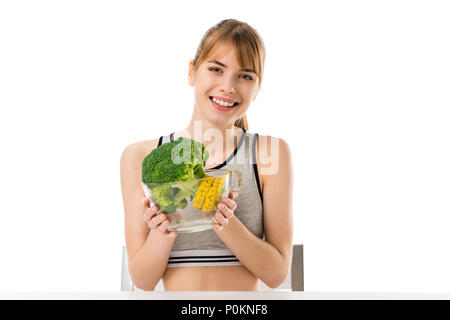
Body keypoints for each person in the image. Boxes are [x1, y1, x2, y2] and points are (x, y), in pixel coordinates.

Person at [120, 19, 293, 291]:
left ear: (257, 87)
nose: (228, 86)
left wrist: (224, 222)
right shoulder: (138, 156)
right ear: (192, 72)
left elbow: (276, 274)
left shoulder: (269, 153)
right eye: (216, 69)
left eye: (245, 76)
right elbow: (143, 281)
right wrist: (161, 232)